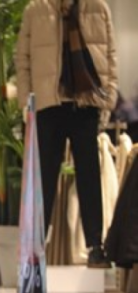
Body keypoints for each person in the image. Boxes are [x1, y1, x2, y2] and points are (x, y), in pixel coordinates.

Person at [15, 0, 118, 268]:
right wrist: (27, 101)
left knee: (89, 176)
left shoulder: (97, 8)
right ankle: (36, 249)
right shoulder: (36, 10)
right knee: (44, 178)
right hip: (49, 103)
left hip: (85, 102)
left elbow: (110, 55)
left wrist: (108, 97)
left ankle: (95, 246)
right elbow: (23, 58)